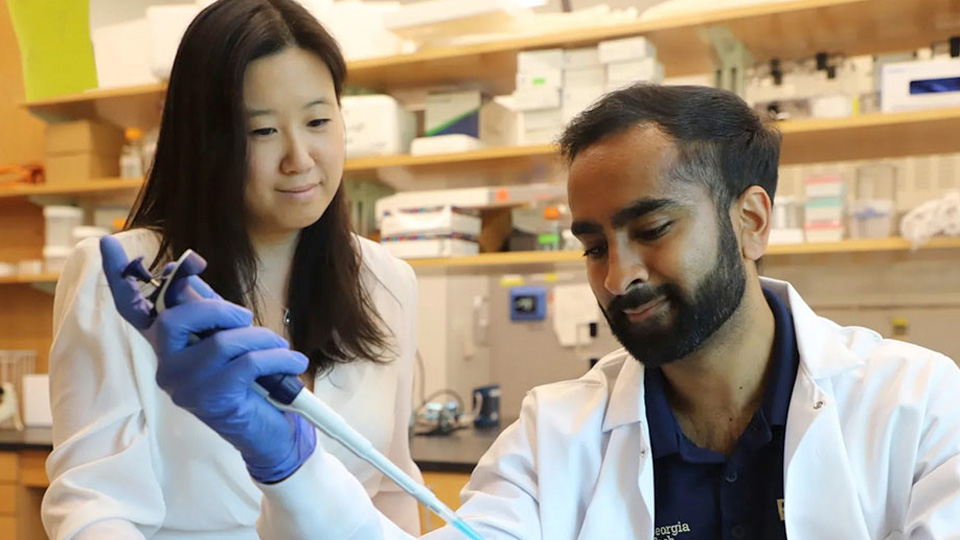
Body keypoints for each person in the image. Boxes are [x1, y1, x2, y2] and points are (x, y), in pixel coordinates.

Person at [113, 84, 960, 539]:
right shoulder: (559, 433)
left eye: (651, 229)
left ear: (752, 219)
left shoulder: (917, 406)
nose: (617, 274)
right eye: (592, 243)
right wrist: (286, 461)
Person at [42, 1, 423, 538]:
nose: (299, 158)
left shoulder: (386, 281)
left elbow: (390, 484)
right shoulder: (129, 277)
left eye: (317, 121)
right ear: (206, 141)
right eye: (262, 131)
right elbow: (93, 506)